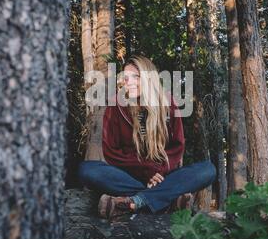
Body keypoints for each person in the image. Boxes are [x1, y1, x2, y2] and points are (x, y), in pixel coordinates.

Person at [79, 55, 216, 220]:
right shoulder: (116, 107)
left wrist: (158, 171)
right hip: (128, 175)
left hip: (163, 175)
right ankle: (167, 200)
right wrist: (146, 171)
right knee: (87, 170)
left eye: (135, 77)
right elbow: (111, 152)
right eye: (126, 77)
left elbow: (177, 147)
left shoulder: (168, 103)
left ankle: (137, 201)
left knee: (208, 170)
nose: (128, 82)